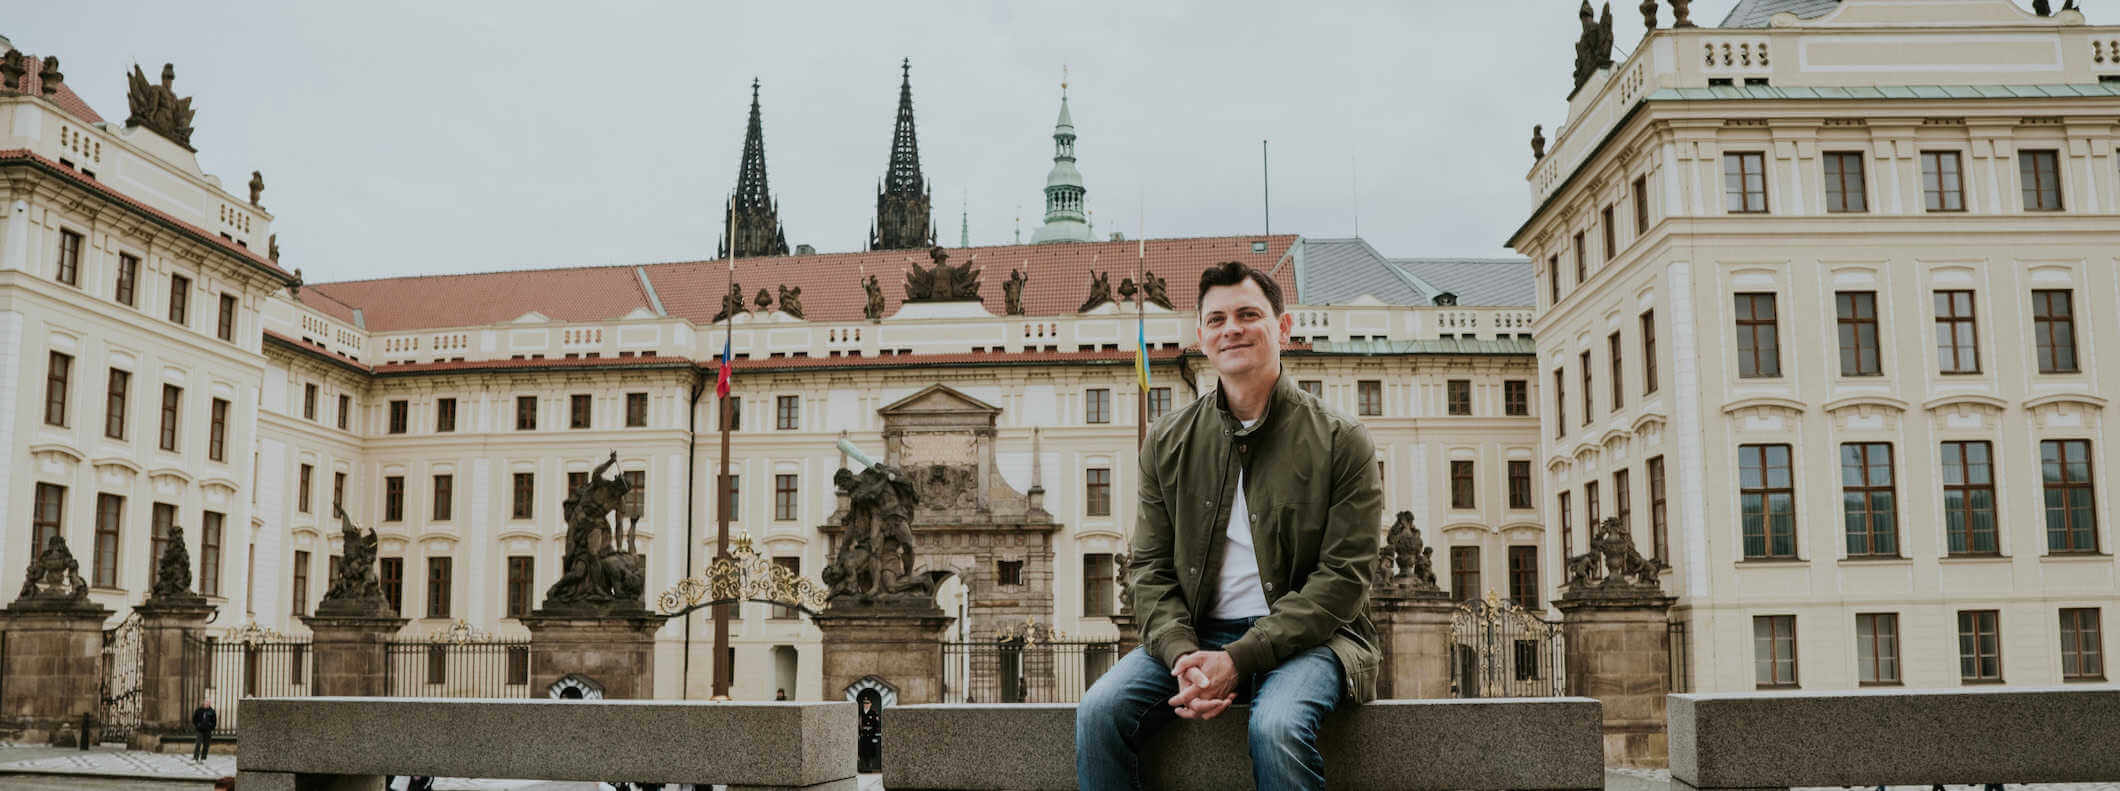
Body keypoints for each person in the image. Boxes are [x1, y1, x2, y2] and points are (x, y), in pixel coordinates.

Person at [1076, 261, 1382, 790]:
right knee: (1099, 711)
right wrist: (1181, 652)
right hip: (1197, 635)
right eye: (1216, 320)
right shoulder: (1167, 441)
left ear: (1282, 327)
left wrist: (1238, 659)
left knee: (1277, 727)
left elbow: (1343, 579)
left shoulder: (1342, 440)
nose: (1231, 329)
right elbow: (1148, 568)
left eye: (1247, 315)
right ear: (1201, 336)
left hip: (1317, 640)